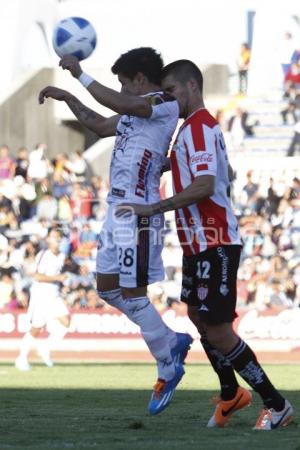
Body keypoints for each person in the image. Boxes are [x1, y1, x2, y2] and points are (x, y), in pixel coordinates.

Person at [116, 59, 294, 430]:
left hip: (216, 241)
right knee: (198, 316)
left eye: (172, 91)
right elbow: (206, 172)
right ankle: (231, 393)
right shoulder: (189, 131)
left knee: (219, 329)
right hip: (197, 245)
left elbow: (205, 184)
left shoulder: (198, 127)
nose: (168, 98)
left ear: (192, 87)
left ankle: (276, 405)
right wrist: (164, 166)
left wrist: (155, 206)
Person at [38, 47, 192, 415]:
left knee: (132, 292)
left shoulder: (161, 103)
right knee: (107, 289)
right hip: (116, 212)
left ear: (140, 79)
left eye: (124, 82)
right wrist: (70, 97)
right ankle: (170, 341)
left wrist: (80, 74)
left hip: (138, 213)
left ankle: (167, 361)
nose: (121, 90)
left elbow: (125, 105)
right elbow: (97, 124)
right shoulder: (130, 114)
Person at [15, 228, 70, 370]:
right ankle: (21, 358)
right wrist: (58, 278)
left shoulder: (62, 255)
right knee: (36, 328)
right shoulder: (44, 255)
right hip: (41, 294)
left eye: (59, 237)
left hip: (54, 293)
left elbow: (60, 273)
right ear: (48, 239)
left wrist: (63, 283)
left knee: (65, 321)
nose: (57, 240)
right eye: (54, 237)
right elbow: (37, 276)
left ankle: (45, 348)